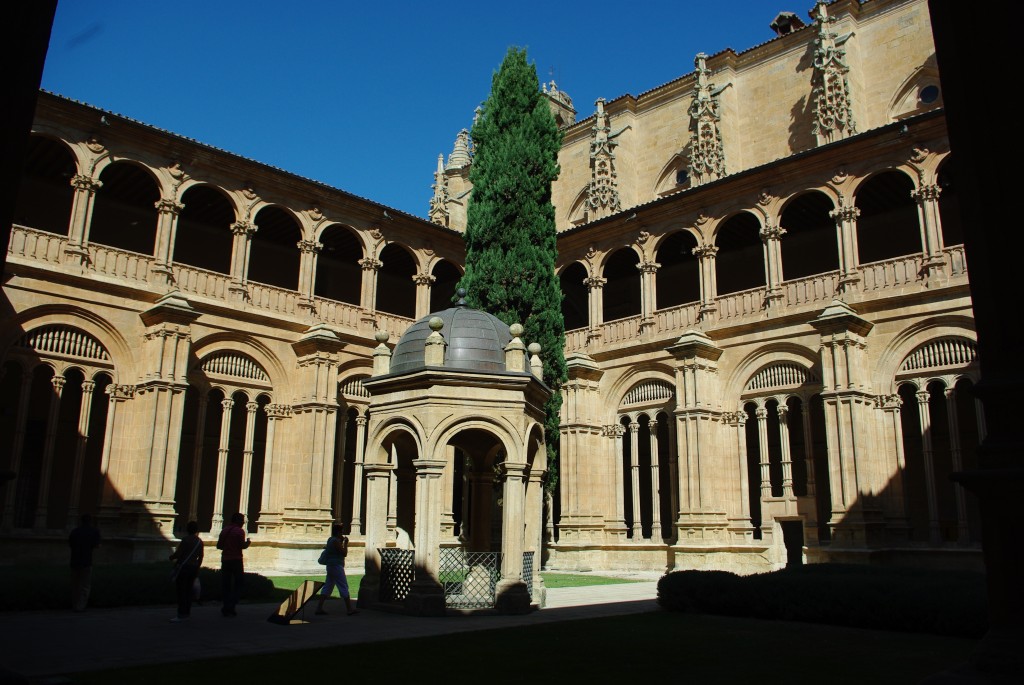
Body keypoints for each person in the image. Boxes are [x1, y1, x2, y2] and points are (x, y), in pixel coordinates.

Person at [315, 524, 358, 616]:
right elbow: (344, 553)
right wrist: (346, 544)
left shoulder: (330, 540)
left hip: (331, 566)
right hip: (336, 566)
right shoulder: (335, 541)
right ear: (338, 533)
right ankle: (349, 609)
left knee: (328, 586)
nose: (342, 534)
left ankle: (319, 608)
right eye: (341, 532)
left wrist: (341, 542)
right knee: (343, 586)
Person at [168, 520, 204, 623]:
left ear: (187, 530)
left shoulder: (186, 540)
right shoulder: (199, 541)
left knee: (181, 591)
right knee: (188, 591)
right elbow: (201, 557)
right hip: (193, 568)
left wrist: (171, 557)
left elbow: (179, 554)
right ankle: (187, 613)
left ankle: (180, 614)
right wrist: (197, 567)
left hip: (183, 568)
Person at [217, 513, 250, 617]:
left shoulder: (224, 530)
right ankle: (231, 606)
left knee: (226, 585)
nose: (243, 522)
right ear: (237, 520)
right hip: (236, 560)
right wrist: (248, 543)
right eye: (242, 520)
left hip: (225, 559)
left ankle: (227, 606)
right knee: (239, 583)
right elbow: (242, 546)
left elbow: (219, 545)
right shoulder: (239, 531)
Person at [68, 513, 101, 612]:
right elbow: (97, 545)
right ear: (90, 521)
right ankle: (81, 606)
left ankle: (74, 604)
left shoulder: (75, 531)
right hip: (87, 561)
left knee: (75, 584)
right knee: (85, 585)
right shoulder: (94, 531)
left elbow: (70, 544)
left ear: (81, 521)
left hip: (74, 561)